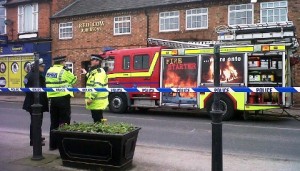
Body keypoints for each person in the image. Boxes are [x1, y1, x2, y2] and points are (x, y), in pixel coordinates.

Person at [45, 56, 77, 150]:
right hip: (63, 99)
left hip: (53, 100)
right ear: (62, 62)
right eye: (64, 62)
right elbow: (73, 79)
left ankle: (53, 145)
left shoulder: (49, 71)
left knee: (54, 122)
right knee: (64, 122)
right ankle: (63, 145)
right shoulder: (64, 71)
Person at [22, 58, 49, 146]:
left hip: (30, 102)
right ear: (37, 67)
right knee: (36, 122)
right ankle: (35, 140)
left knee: (35, 121)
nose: (43, 67)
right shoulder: (38, 76)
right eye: (41, 66)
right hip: (36, 102)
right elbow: (40, 91)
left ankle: (37, 136)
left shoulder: (28, 75)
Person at [82, 54, 109, 122]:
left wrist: (91, 98)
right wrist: (86, 73)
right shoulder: (95, 72)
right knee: (97, 119)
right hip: (96, 101)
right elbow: (92, 78)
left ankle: (100, 131)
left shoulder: (99, 73)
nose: (91, 61)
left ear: (98, 62)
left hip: (97, 100)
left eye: (92, 60)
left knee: (97, 120)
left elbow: (97, 86)